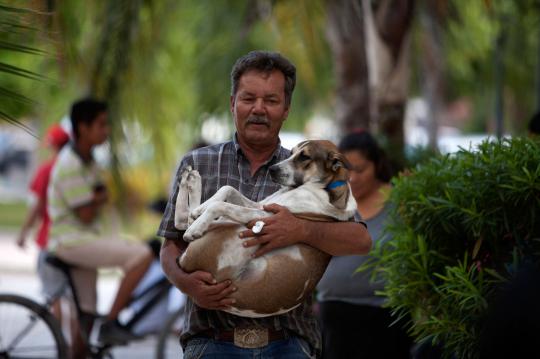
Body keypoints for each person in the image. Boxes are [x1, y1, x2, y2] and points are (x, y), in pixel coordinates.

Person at [158, 50, 372, 358]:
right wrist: (187, 285)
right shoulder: (197, 163)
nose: (259, 109)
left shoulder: (312, 167)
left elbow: (361, 240)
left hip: (288, 343)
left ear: (286, 109)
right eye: (248, 98)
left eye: (271, 100)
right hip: (211, 341)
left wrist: (301, 230)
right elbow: (170, 247)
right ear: (233, 104)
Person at [47, 98, 154, 357]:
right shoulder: (71, 164)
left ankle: (86, 343)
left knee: (86, 316)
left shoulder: (88, 161)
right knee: (141, 255)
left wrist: (96, 199)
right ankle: (112, 322)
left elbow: (97, 198)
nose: (106, 130)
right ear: (82, 127)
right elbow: (86, 213)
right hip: (72, 241)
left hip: (82, 238)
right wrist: (97, 199)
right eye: (101, 125)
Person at [317, 131, 413, 358]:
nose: (353, 177)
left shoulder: (400, 199)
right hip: (336, 320)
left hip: (386, 318)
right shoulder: (331, 201)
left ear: (377, 165)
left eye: (360, 170)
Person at [16, 124, 70, 315]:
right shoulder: (73, 169)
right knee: (73, 302)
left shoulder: (46, 170)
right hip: (72, 240)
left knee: (54, 296)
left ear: (52, 145)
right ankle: (75, 344)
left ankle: (61, 342)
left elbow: (36, 206)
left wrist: (23, 233)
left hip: (49, 240)